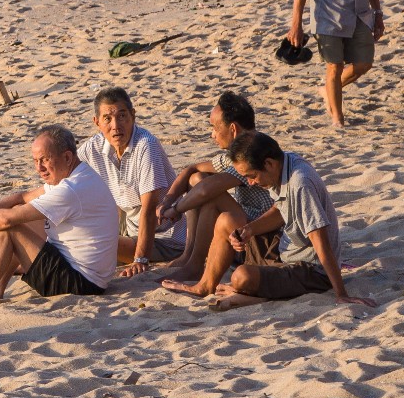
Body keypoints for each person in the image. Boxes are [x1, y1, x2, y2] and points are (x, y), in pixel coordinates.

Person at [163, 131, 373, 309]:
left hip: (311, 270)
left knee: (241, 277)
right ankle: (205, 286)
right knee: (227, 221)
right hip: (285, 251)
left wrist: (341, 293)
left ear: (269, 164)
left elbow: (320, 239)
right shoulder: (283, 163)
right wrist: (250, 230)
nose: (250, 183)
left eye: (252, 176)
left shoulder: (300, 183)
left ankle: (251, 295)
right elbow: (280, 211)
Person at [0, 125, 119, 311]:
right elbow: (22, 198)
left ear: (67, 157)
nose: (39, 168)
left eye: (45, 160)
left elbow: (5, 220)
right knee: (22, 213)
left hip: (81, 284)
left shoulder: (71, 189)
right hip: (88, 277)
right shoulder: (77, 175)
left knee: (9, 228)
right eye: (36, 161)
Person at [152, 91, 277, 281]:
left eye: (215, 127)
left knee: (211, 196)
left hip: (265, 230)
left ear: (233, 129)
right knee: (197, 178)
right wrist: (168, 200)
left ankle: (195, 264)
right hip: (248, 225)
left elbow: (206, 191)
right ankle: (189, 255)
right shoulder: (237, 151)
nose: (212, 134)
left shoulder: (252, 152)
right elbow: (191, 169)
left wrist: (175, 210)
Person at [77, 87, 181, 276]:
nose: (116, 125)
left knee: (90, 243)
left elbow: (149, 209)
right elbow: (65, 178)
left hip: (163, 237)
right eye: (107, 118)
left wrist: (141, 259)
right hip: (127, 229)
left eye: (122, 116)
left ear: (133, 116)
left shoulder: (146, 145)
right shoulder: (94, 147)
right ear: (97, 122)